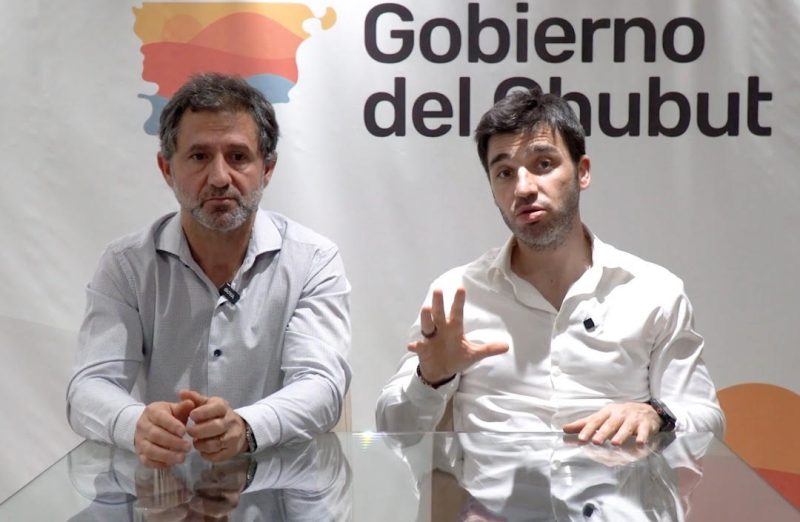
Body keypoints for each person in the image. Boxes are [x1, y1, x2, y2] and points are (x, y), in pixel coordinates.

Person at [376, 87, 724, 444]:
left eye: (543, 164)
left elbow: (708, 422)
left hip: (615, 479)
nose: (524, 188)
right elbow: (393, 432)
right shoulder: (457, 296)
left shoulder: (653, 292)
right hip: (493, 482)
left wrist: (657, 414)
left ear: (582, 172)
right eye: (505, 173)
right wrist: (430, 380)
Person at [67, 73, 351, 468]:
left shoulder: (313, 260)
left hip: (280, 487)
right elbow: (89, 386)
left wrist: (247, 427)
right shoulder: (127, 264)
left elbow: (321, 386)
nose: (219, 178)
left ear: (267, 168)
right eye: (199, 157)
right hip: (165, 487)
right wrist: (136, 424)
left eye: (238, 157)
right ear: (167, 168)